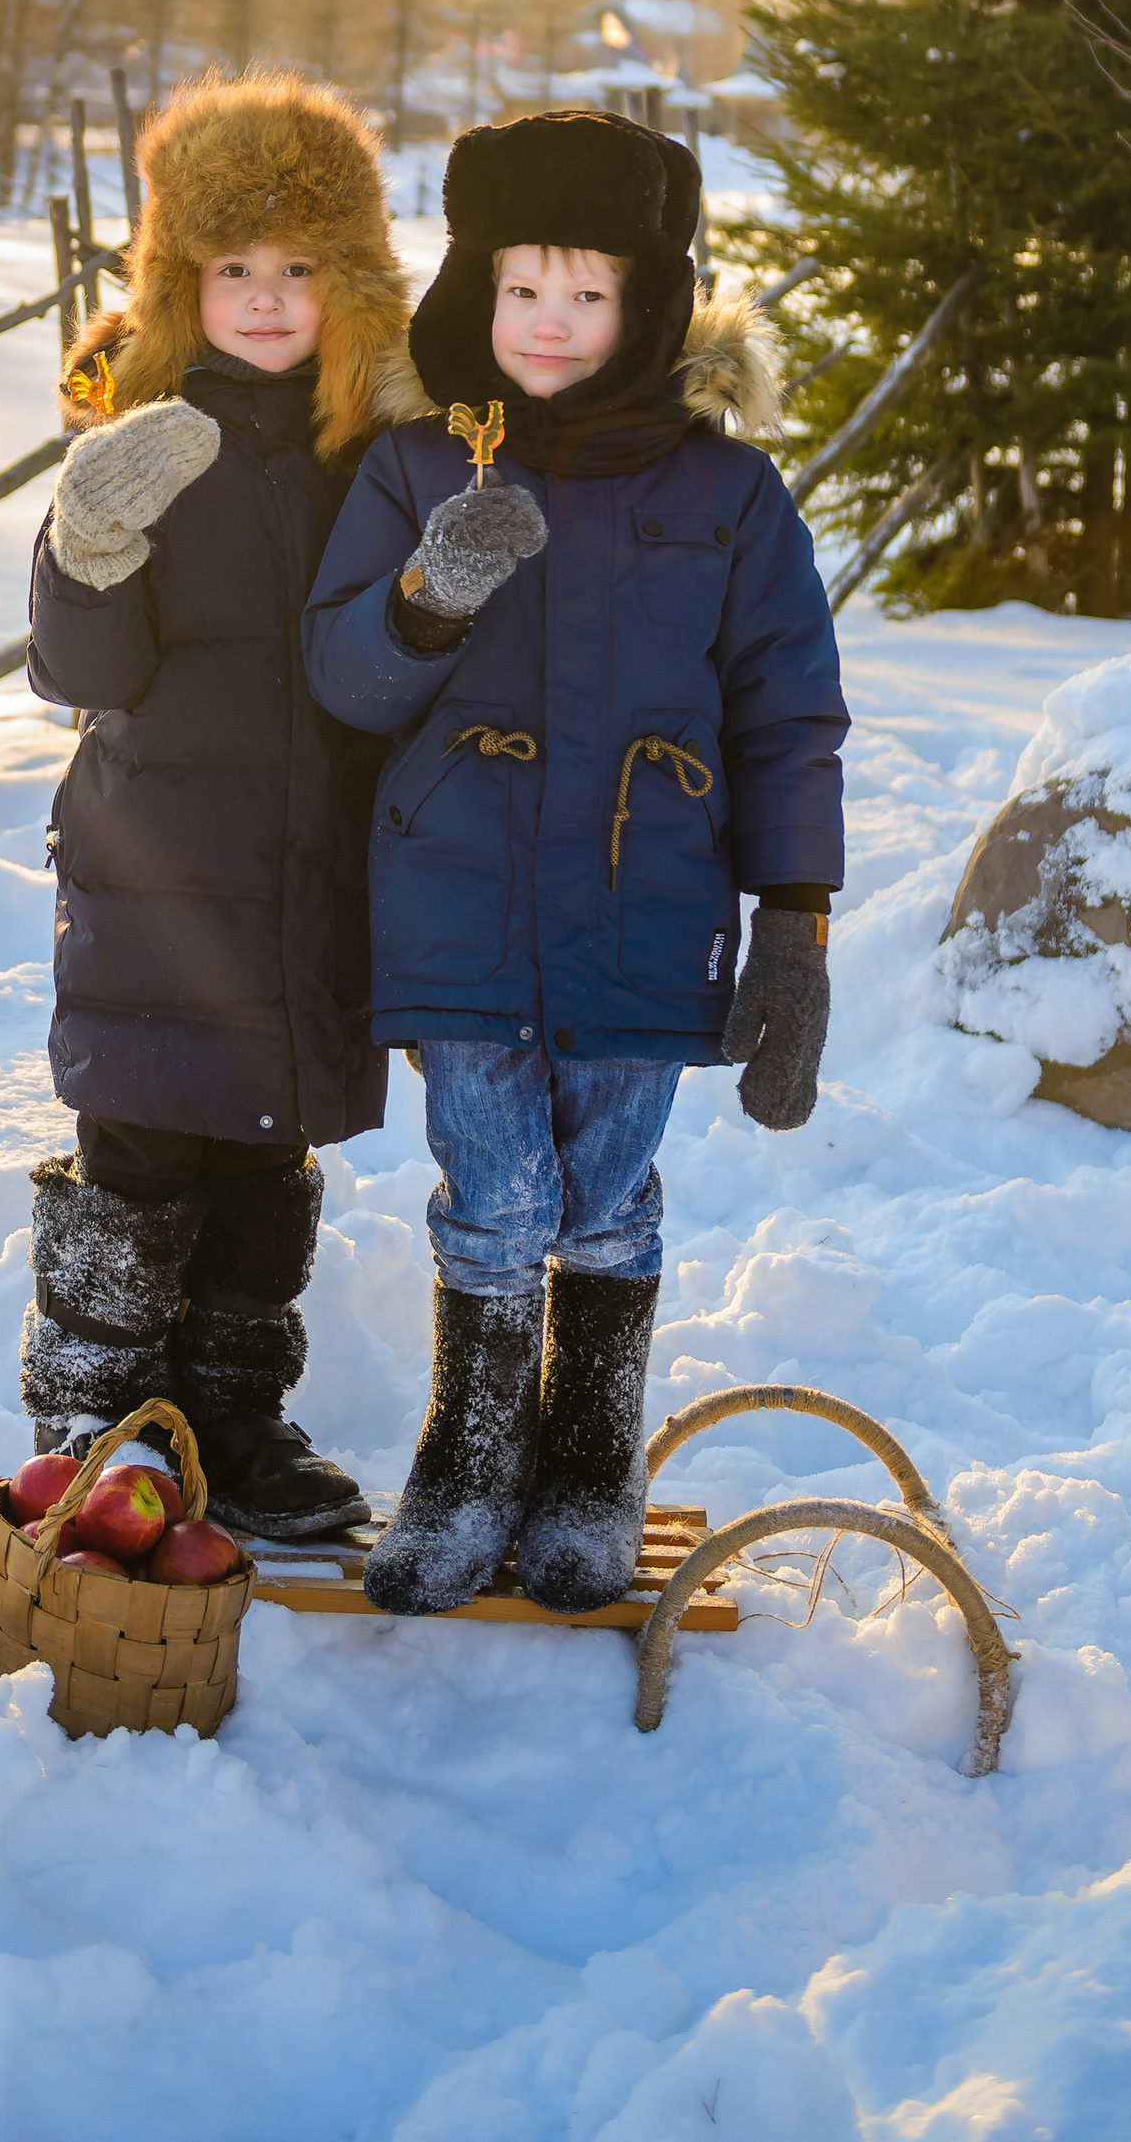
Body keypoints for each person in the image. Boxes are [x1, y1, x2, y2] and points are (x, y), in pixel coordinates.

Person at [303, 106, 847, 1615]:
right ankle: (469, 1466)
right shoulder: (419, 465)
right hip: (460, 907)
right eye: (522, 287)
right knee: (489, 1197)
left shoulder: (727, 496)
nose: (549, 322)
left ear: (649, 303)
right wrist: (426, 598)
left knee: (606, 1196)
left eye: (589, 292)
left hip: (646, 913)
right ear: (474, 290)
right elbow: (342, 681)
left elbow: (788, 710)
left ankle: (592, 1467)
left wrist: (795, 919)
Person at [21, 68, 409, 1540]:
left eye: (298, 268)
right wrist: (88, 544)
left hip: (309, 871)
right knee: (137, 1153)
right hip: (157, 873)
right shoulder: (143, 427)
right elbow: (83, 671)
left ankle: (235, 1423)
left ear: (349, 284)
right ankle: (98, 1427)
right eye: (232, 267)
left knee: (262, 1154)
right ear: (180, 279)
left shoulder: (374, 447)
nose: (264, 298)